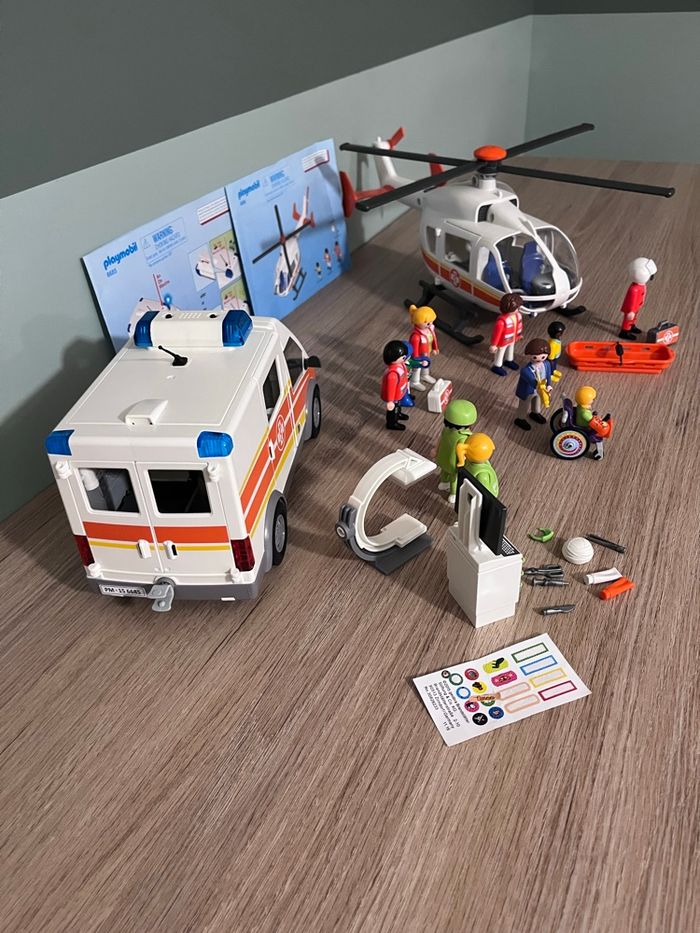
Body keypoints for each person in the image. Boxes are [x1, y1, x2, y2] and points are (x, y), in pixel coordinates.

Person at [436, 399, 478, 503]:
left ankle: (443, 482)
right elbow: (463, 451)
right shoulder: (464, 437)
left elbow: (440, 440)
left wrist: (436, 450)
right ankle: (453, 493)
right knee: (454, 478)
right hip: (453, 462)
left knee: (444, 471)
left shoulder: (446, 430)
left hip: (442, 457)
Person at [514, 338, 554, 431]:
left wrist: (548, 385)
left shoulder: (547, 364)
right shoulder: (525, 370)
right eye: (535, 357)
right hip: (528, 391)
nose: (539, 359)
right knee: (524, 406)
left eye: (543, 357)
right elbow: (532, 381)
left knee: (537, 403)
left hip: (541, 390)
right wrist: (540, 387)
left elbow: (548, 375)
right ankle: (520, 418)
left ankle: (535, 413)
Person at [619, 257, 657, 340]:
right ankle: (625, 331)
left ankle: (631, 326)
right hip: (631, 308)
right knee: (628, 319)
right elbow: (631, 301)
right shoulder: (634, 289)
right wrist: (631, 311)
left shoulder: (641, 286)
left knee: (633, 317)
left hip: (636, 306)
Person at [489, 293, 523, 376]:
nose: (518, 309)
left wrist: (519, 335)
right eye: (517, 308)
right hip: (502, 342)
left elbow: (518, 326)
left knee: (511, 349)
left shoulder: (517, 316)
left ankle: (509, 360)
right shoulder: (501, 322)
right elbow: (496, 334)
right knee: (500, 352)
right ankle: (497, 365)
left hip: (512, 338)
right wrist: (494, 345)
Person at [407, 304, 439, 391]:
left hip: (426, 353)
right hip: (418, 356)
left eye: (431, 321)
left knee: (426, 364)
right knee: (416, 368)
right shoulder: (416, 336)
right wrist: (417, 359)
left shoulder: (430, 330)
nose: (430, 324)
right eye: (426, 322)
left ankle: (425, 375)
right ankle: (414, 381)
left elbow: (433, 339)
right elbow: (414, 349)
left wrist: (435, 348)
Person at [380, 341, 412, 431]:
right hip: (393, 396)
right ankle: (392, 423)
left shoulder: (401, 365)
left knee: (398, 405)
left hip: (399, 392)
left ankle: (398, 414)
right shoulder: (393, 374)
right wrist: (390, 401)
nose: (405, 358)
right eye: (403, 357)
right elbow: (390, 388)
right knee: (393, 409)